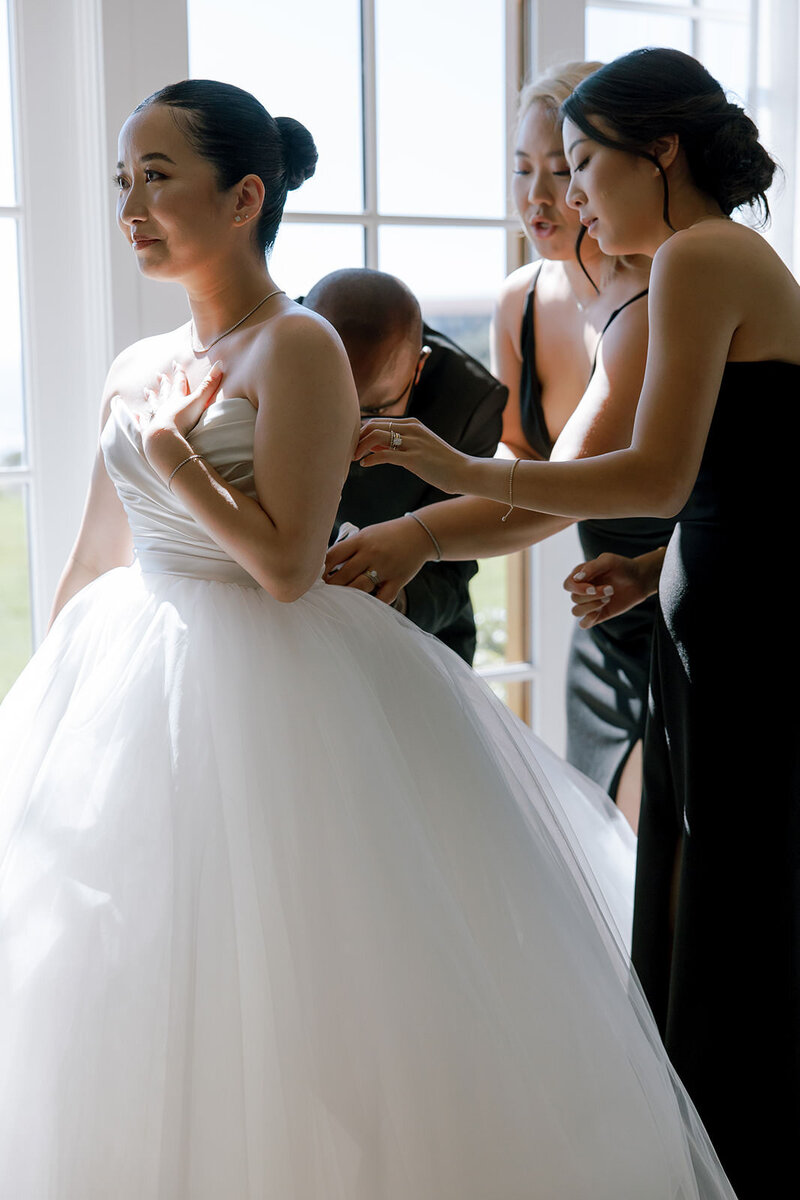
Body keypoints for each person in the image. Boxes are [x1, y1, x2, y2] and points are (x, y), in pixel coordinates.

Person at [0, 78, 737, 1199]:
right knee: (120, 984)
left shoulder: (295, 347)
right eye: (120, 182)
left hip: (275, 696)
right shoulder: (133, 369)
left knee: (303, 995)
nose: (130, 208)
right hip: (125, 690)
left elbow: (290, 566)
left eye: (156, 177)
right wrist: (41, 718)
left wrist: (181, 467)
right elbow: (94, 560)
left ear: (245, 195)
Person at [356, 47, 800, 1199]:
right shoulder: (721, 259)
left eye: (581, 164)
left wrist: (459, 469)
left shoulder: (700, 257)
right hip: (719, 608)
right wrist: (656, 569)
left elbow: (649, 471)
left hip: (745, 635)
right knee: (717, 901)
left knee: (727, 916)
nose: (569, 196)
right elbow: (756, 481)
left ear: (656, 155)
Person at [325, 62, 674, 827]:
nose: (539, 197)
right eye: (522, 170)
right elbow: (521, 460)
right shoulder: (520, 299)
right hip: (607, 613)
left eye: (564, 168)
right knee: (605, 853)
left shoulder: (655, 299)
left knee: (664, 868)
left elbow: (563, 490)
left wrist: (415, 534)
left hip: (681, 590)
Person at [302, 268, 506, 663]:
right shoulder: (269, 338)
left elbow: (453, 566)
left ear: (418, 368)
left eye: (374, 411)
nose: (347, 434)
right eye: (327, 404)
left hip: (419, 641)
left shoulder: (469, 406)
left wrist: (389, 600)